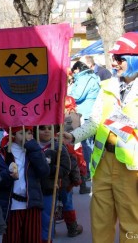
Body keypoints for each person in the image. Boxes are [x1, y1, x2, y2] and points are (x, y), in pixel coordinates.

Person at [62, 32, 138, 243]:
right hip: (103, 164)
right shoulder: (107, 87)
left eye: (120, 58)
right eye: (114, 58)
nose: (114, 62)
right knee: (100, 221)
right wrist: (72, 135)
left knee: (132, 224)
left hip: (132, 169)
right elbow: (95, 122)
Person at [0, 126, 50, 243]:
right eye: (22, 132)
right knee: (12, 239)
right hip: (12, 206)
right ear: (13, 135)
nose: (27, 135)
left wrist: (33, 148)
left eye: (29, 132)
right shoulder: (2, 154)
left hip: (32, 204)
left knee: (33, 239)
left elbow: (44, 171)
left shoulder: (35, 151)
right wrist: (7, 175)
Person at [35, 125, 82, 241]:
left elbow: (70, 166)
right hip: (35, 189)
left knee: (64, 206)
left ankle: (71, 227)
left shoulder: (60, 147)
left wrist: (76, 180)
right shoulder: (31, 147)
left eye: (49, 128)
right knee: (41, 217)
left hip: (60, 185)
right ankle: (51, 230)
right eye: (42, 128)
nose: (46, 131)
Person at [69, 61, 100, 180]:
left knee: (86, 145)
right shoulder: (89, 77)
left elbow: (77, 95)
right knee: (88, 145)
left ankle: (88, 171)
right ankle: (90, 170)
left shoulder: (84, 78)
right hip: (87, 113)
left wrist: (68, 93)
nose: (73, 73)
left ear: (77, 69)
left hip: (86, 114)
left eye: (74, 71)